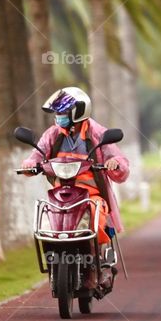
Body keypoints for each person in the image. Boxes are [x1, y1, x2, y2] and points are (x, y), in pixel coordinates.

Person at [21, 87, 130, 254]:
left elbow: (122, 167)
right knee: (46, 223)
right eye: (57, 112)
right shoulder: (53, 134)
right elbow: (37, 154)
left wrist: (115, 163)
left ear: (78, 111)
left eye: (63, 112)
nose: (59, 117)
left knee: (97, 218)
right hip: (59, 196)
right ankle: (54, 262)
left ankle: (98, 255)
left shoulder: (98, 133)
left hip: (91, 196)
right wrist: (29, 164)